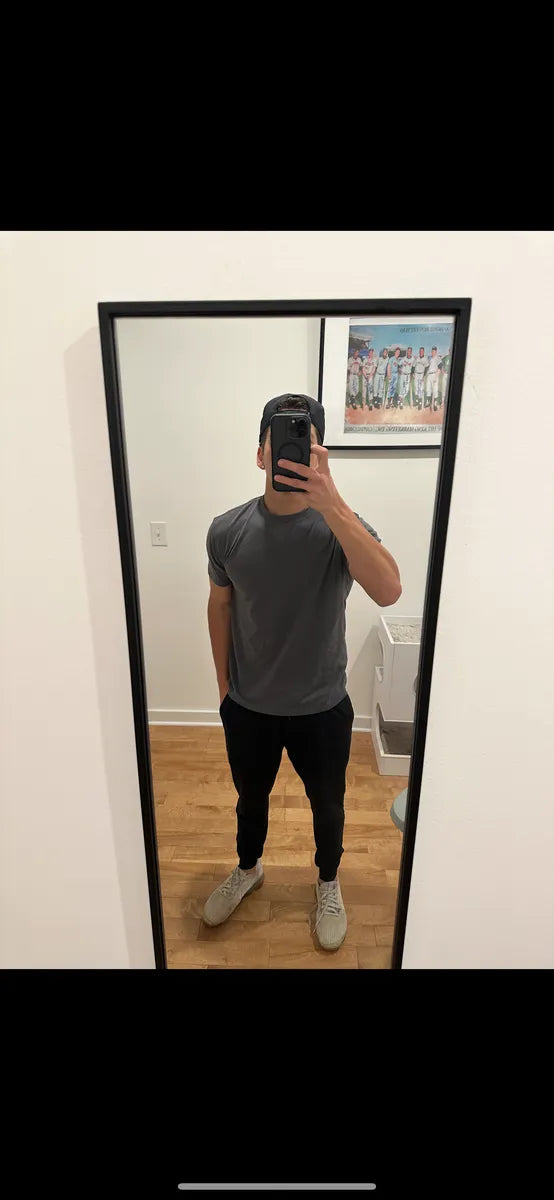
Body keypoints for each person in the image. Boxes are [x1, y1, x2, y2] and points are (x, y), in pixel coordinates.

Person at [203, 394, 402, 951]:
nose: (291, 454)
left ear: (319, 454)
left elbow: (389, 590)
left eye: (305, 445)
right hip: (249, 705)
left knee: (328, 807)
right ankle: (248, 868)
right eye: (282, 443)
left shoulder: (342, 528)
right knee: (250, 800)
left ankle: (328, 883)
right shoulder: (227, 530)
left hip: (322, 707)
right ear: (261, 454)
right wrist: (223, 687)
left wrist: (332, 502)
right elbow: (220, 605)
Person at [425, 345, 443, 411]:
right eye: (432, 351)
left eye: (434, 351)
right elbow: (427, 367)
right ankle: (428, 402)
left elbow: (440, 367)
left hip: (434, 375)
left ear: (436, 351)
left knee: (435, 390)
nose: (433, 352)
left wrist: (436, 376)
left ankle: (435, 404)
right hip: (429, 375)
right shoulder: (430, 358)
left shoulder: (438, 358)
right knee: (428, 389)